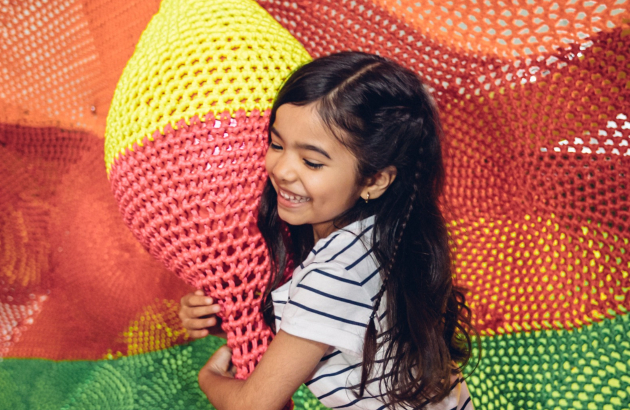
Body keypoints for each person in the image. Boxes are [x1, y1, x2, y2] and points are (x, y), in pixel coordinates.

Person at [179, 51, 477, 410]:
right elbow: (335, 328)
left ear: (374, 180)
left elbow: (253, 406)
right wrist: (234, 317)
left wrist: (209, 377)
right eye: (276, 144)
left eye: (312, 162)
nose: (282, 170)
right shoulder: (384, 234)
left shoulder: (335, 272)